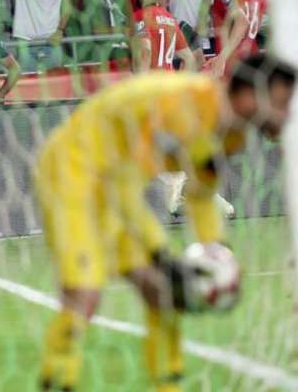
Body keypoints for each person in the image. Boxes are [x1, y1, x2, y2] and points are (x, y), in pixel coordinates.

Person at [34, 54, 295, 392]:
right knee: (85, 292)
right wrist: (160, 251)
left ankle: (168, 386)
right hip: (74, 169)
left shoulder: (231, 134)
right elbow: (125, 185)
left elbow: (200, 196)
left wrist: (219, 252)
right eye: (279, 103)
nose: (286, 114)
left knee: (162, 292)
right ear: (247, 94)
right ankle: (58, 380)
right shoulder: (183, 106)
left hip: (115, 182)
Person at [131, 0, 196, 72]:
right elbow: (189, 58)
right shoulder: (170, 18)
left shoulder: (140, 16)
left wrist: (142, 82)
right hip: (170, 83)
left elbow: (146, 51)